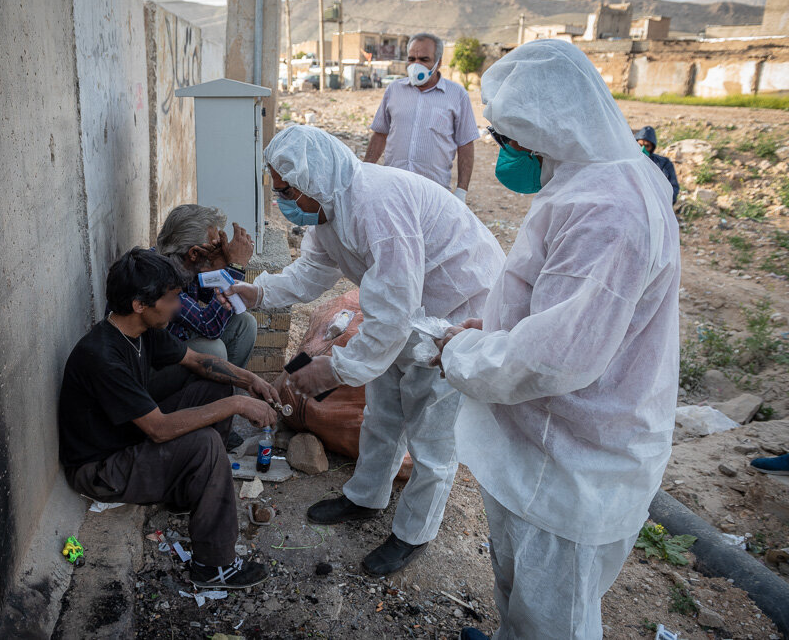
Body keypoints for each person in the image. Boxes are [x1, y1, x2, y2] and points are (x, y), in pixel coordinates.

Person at [431, 40, 680, 640]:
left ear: (548, 128)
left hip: (575, 463)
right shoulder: (592, 180)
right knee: (519, 592)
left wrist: (460, 353)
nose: (505, 152)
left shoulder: (607, 211)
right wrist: (491, 330)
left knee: (555, 620)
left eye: (508, 139)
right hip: (546, 446)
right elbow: (555, 308)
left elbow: (554, 356)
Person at [224, 125, 505, 575]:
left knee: (432, 434)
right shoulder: (328, 208)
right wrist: (257, 293)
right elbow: (312, 272)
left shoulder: (378, 207)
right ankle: (366, 497)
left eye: (286, 190)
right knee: (383, 410)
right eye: (277, 190)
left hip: (455, 313)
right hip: (411, 309)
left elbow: (392, 314)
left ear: (313, 180)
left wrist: (332, 370)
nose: (282, 200)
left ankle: (414, 533)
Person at [58, 248, 279, 589]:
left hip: (126, 438)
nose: (178, 306)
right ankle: (214, 565)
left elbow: (198, 361)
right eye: (172, 298)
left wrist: (250, 381)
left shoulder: (140, 331)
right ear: (139, 304)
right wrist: (238, 405)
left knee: (214, 387)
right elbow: (159, 430)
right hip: (100, 470)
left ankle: (189, 488)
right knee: (205, 442)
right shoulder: (102, 357)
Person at [150, 204, 258, 405]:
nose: (217, 250)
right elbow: (210, 326)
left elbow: (218, 301)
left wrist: (222, 268)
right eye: (213, 246)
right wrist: (236, 267)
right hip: (152, 371)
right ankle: (207, 408)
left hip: (177, 345)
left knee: (244, 324)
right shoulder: (160, 276)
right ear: (193, 253)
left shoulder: (187, 264)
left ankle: (227, 402)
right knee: (213, 350)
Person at [364, 32, 479, 202]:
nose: (416, 65)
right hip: (394, 188)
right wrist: (365, 172)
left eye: (424, 60)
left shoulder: (457, 95)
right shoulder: (394, 90)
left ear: (438, 62)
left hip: (434, 193)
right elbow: (380, 134)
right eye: (411, 59)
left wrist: (461, 191)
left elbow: (466, 145)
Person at [636, 126, 680, 204]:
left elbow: (673, 188)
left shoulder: (663, 163)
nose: (642, 149)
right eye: (639, 145)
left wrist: (662, 203)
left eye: (647, 146)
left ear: (652, 147)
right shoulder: (628, 163)